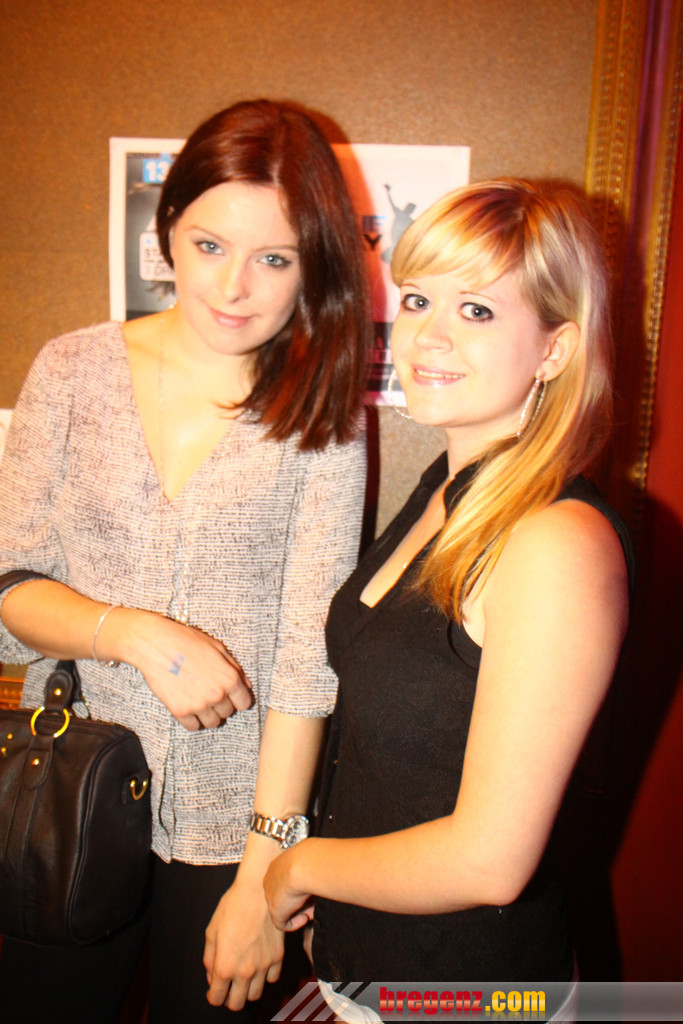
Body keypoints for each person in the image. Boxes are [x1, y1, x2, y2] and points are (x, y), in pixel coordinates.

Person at [0, 99, 370, 1023]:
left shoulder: (326, 412)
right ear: (167, 231)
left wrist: (265, 872)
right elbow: (8, 583)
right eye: (209, 246)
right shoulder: (71, 371)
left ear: (314, 266)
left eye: (274, 259)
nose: (234, 287)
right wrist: (132, 633)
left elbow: (306, 661)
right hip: (65, 788)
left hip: (234, 825)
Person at [263, 179, 633, 1018]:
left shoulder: (554, 542)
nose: (427, 335)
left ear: (554, 349)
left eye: (476, 310)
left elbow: (488, 860)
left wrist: (296, 867)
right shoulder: (447, 484)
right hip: (364, 975)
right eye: (417, 298)